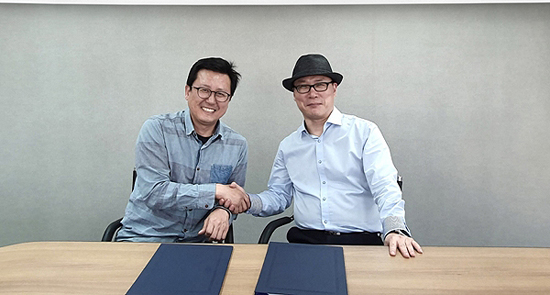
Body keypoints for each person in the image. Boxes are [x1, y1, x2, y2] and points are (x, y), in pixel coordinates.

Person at [223, 54, 422, 258]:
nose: (312, 93)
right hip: (305, 244)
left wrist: (395, 229)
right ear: (295, 95)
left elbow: (385, 186)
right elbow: (279, 196)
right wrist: (248, 201)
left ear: (334, 88)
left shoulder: (364, 133)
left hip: (360, 244)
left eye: (320, 85)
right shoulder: (288, 146)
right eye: (303, 87)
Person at [116, 57, 250, 243]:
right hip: (145, 239)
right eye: (204, 90)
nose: (211, 100)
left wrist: (224, 211)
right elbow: (153, 193)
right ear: (188, 91)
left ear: (228, 99)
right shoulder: (157, 129)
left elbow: (233, 197)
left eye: (221, 94)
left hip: (197, 244)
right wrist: (216, 190)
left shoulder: (237, 145)